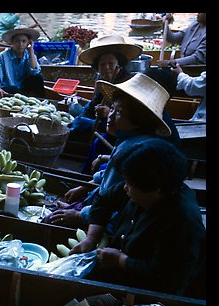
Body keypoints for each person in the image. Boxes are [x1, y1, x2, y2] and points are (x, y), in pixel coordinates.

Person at [69, 138, 205, 296]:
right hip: (116, 273)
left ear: (158, 189)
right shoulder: (138, 186)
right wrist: (91, 238)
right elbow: (104, 200)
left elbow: (167, 280)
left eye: (129, 184)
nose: (125, 187)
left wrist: (121, 261)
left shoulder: (182, 222)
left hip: (144, 295)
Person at [48, 73, 173, 230]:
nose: (110, 115)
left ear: (138, 121)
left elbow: (111, 198)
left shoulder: (133, 151)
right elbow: (106, 175)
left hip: (113, 220)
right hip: (101, 206)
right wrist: (84, 187)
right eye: (112, 108)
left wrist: (80, 215)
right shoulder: (126, 140)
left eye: (119, 112)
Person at [68, 35, 142, 174]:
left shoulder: (128, 83)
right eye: (102, 64)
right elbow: (92, 106)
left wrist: (109, 113)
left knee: (84, 127)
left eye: (110, 63)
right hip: (104, 124)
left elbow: (131, 117)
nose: (106, 68)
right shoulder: (102, 83)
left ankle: (86, 175)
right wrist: (88, 112)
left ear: (118, 64)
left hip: (121, 129)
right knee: (77, 118)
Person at [0, 25, 45, 99]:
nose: (20, 44)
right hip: (8, 89)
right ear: (12, 43)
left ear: (28, 42)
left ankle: (41, 102)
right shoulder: (3, 56)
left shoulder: (29, 54)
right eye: (17, 41)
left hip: (23, 88)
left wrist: (31, 51)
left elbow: (34, 71)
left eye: (24, 41)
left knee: (38, 78)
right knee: (13, 89)